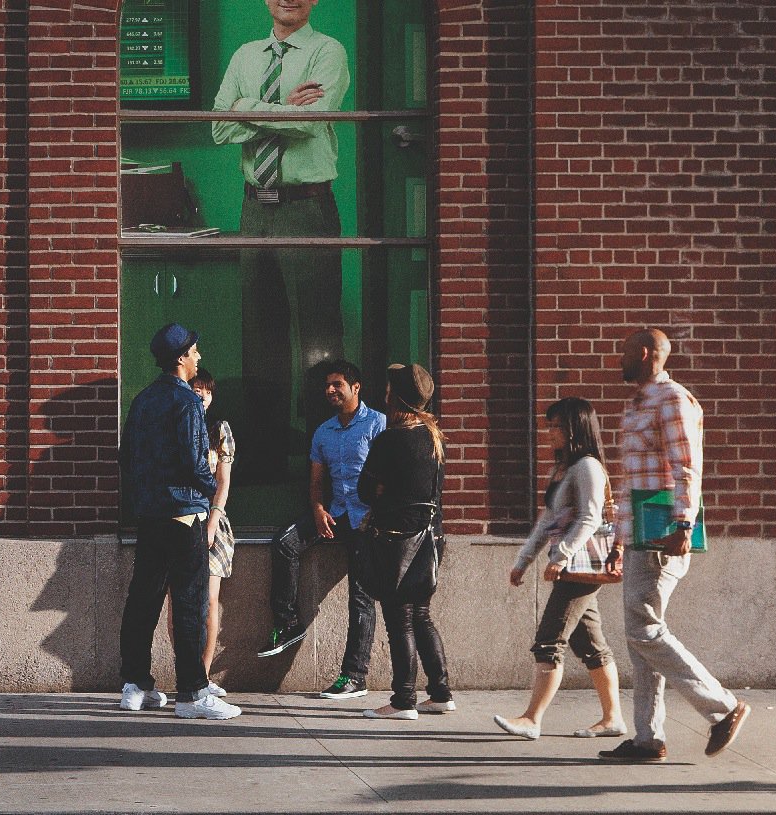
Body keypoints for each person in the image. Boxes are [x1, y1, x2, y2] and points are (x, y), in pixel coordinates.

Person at [212, 0, 351, 483]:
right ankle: (265, 461)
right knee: (260, 336)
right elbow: (218, 126)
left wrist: (247, 108)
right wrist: (281, 108)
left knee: (318, 338)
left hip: (307, 207)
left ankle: (323, 461)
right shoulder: (245, 56)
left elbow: (309, 122)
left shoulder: (327, 52)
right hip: (255, 209)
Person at [600, 329, 751, 762]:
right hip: (640, 535)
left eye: (625, 352)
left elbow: (687, 466)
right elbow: (633, 480)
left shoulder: (672, 399)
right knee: (641, 639)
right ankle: (648, 738)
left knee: (644, 630)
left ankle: (722, 707)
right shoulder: (639, 403)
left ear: (645, 354)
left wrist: (684, 524)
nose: (619, 359)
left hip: (663, 534)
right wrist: (619, 540)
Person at [116, 323, 240, 719]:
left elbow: (125, 457)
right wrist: (210, 489)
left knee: (143, 601)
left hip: (150, 515)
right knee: (190, 604)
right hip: (185, 516)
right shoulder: (187, 401)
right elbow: (194, 462)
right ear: (182, 357)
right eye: (195, 351)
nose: (199, 357)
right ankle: (193, 693)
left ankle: (136, 686)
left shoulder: (143, 400)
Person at [492, 397, 626, 741]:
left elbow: (590, 518)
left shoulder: (587, 467)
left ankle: (531, 719)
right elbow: (548, 521)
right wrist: (524, 560)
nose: (550, 432)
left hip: (579, 567)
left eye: (557, 426)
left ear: (575, 428)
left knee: (549, 641)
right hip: (570, 567)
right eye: (549, 425)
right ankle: (612, 718)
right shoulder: (564, 469)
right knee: (590, 643)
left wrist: (561, 556)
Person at [263, 359, 383, 705]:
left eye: (337, 385)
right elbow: (316, 482)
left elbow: (389, 476)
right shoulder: (323, 432)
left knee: (361, 597)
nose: (330, 391)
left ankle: (354, 675)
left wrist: (378, 516)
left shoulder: (377, 424)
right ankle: (288, 623)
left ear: (355, 387)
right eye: (327, 386)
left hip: (367, 521)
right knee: (284, 543)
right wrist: (317, 510)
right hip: (335, 514)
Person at [356, 363, 452, 720]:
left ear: (395, 398)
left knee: (400, 620)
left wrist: (383, 491)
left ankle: (403, 700)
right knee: (422, 615)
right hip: (429, 539)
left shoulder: (390, 440)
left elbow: (366, 490)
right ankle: (440, 693)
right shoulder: (433, 437)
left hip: (395, 541)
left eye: (388, 389)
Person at [187, 369, 237, 698]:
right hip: (180, 518)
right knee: (179, 604)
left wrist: (213, 521)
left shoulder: (219, 430)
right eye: (197, 389)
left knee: (209, 600)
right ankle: (188, 674)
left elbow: (223, 481)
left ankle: (202, 677)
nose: (203, 395)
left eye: (207, 390)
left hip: (212, 521)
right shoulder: (178, 426)